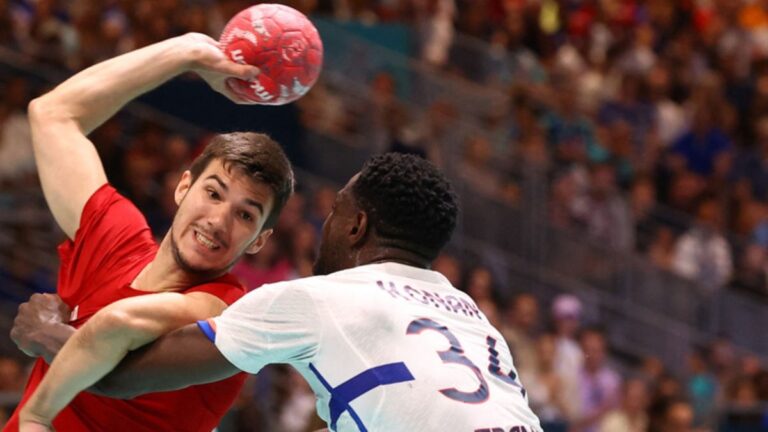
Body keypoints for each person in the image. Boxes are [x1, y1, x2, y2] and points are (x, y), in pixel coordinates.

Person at [19, 153, 543, 432]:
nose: (324, 225)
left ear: (356, 226)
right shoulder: (471, 316)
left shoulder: (317, 299)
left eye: (334, 211)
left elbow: (120, 379)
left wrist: (50, 336)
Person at [6, 32, 295, 431]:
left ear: (259, 240)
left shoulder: (222, 314)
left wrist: (47, 333)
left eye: (245, 216)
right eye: (213, 193)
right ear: (182, 186)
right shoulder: (114, 238)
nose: (218, 220)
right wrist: (185, 53)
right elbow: (53, 114)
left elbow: (111, 350)